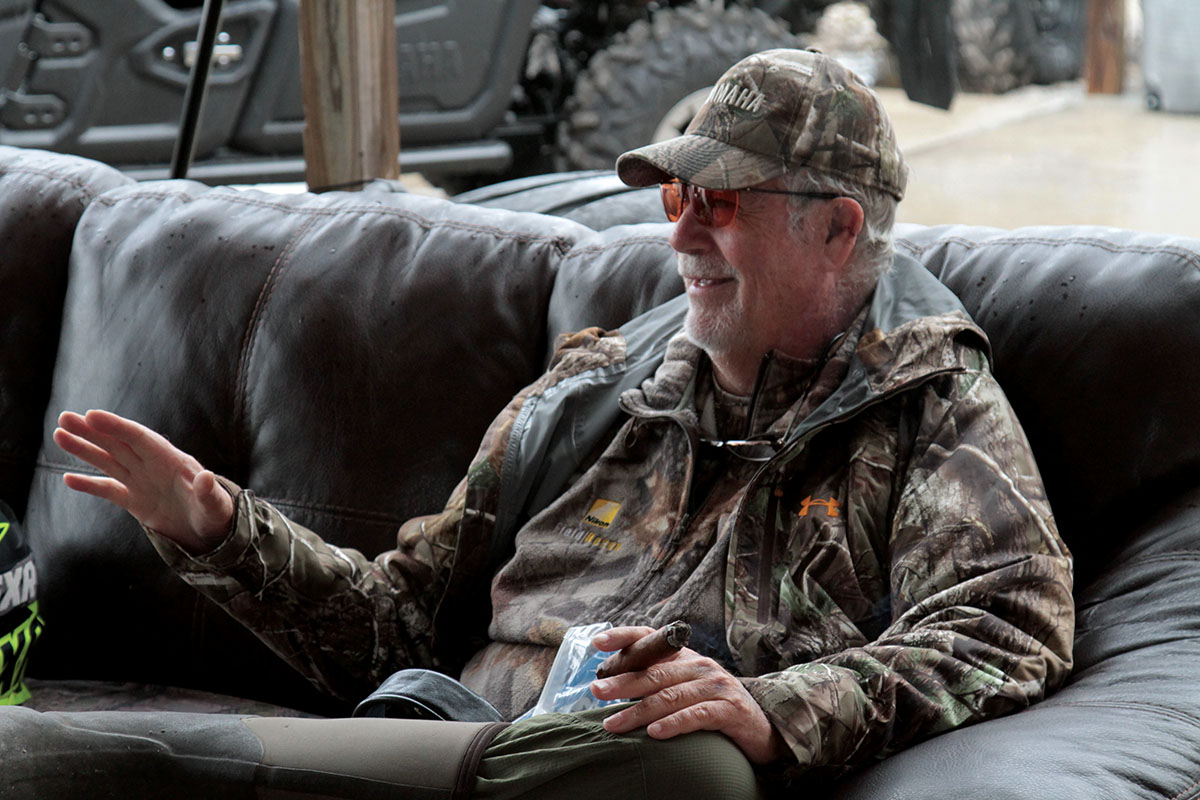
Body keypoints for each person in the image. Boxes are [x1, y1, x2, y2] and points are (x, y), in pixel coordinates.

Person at [48, 49, 1073, 796]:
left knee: (690, 767)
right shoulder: (594, 391)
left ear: (839, 226)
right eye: (677, 193)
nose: (678, 230)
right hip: (457, 735)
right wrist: (219, 524)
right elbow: (393, 625)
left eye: (720, 201)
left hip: (639, 768)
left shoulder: (929, 407)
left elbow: (1006, 624)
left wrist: (777, 706)